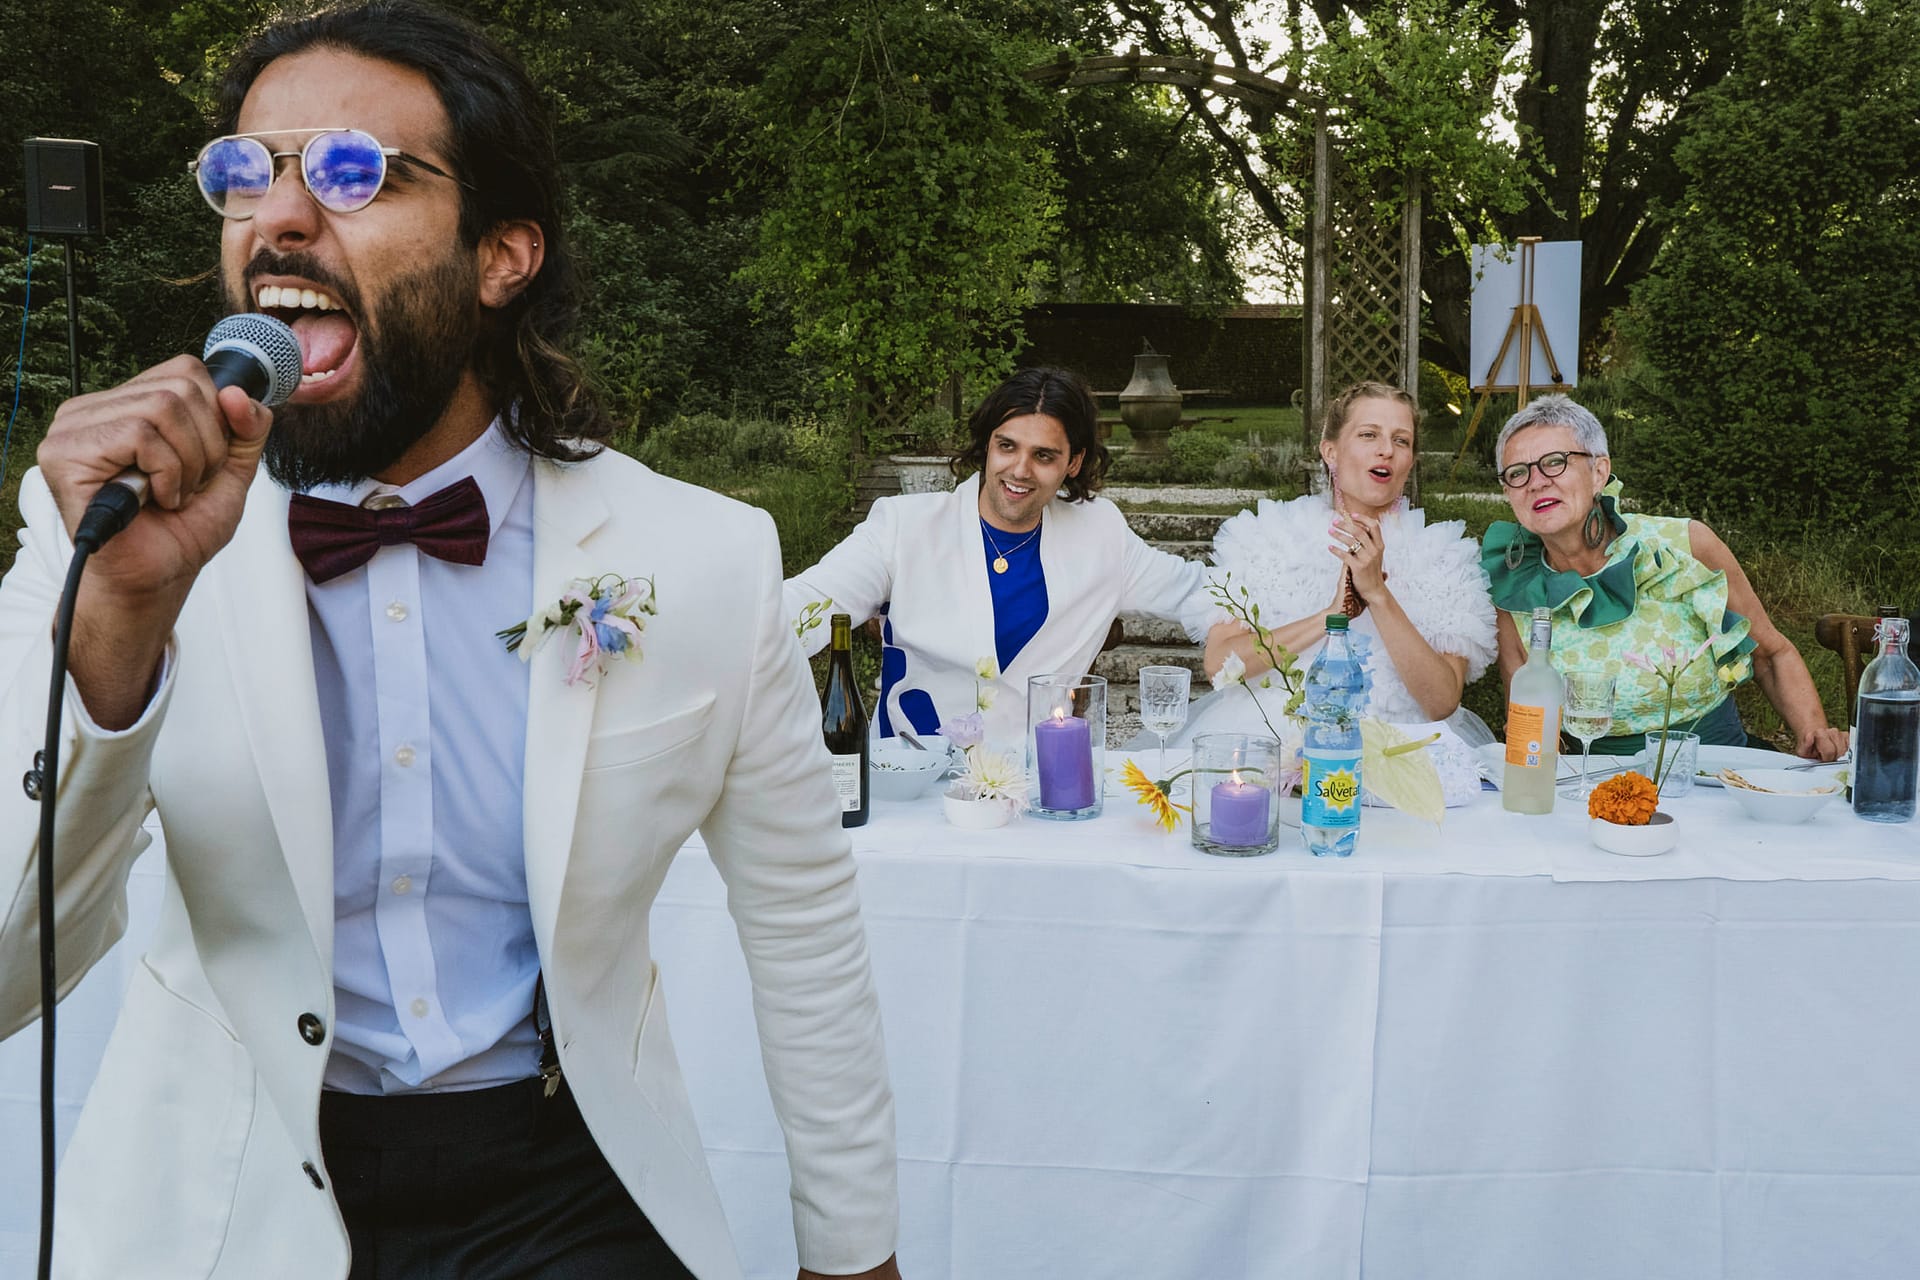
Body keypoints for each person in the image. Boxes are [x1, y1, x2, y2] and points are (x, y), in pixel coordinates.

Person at [0, 4, 899, 1278]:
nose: (284, 215)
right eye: (248, 172)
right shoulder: (98, 529)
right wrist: (116, 631)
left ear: (503, 253)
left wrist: (852, 1253)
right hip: (226, 1184)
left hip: (567, 1179)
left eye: (357, 169)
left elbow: (803, 923)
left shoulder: (703, 554)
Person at [785, 366, 1210, 746]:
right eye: (1007, 446)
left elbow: (1206, 594)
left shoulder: (1102, 533)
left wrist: (1273, 587)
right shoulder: (904, 526)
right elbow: (810, 602)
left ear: (1074, 462)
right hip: (909, 782)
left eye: (1043, 455)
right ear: (987, 446)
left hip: (1037, 787)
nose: (1020, 470)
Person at [1482, 393, 1847, 760]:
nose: (1536, 482)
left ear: (1598, 472)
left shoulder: (1684, 545)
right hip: (1589, 782)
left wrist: (1813, 730)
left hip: (1716, 769)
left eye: (1554, 463)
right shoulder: (1514, 585)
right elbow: (1530, 719)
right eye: (1518, 473)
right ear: (1508, 493)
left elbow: (1771, 653)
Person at [1177, 382, 1497, 774]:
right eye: (1368, 435)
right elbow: (1219, 665)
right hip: (1272, 756)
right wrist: (1332, 614)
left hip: (1399, 764)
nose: (1386, 450)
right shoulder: (1267, 534)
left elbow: (1442, 701)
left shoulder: (1444, 554)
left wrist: (1378, 596)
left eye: (1401, 440)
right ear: (1330, 451)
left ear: (1410, 460)